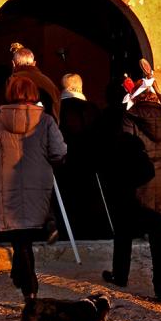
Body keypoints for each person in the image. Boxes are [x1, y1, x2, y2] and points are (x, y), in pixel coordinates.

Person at [103, 80, 161, 304]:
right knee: (160, 237)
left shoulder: (130, 117)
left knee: (124, 230)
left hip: (137, 181)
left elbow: (125, 150)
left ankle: (120, 275)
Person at [0, 75, 67, 299]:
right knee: (26, 237)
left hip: (8, 181)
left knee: (19, 238)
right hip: (38, 181)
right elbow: (59, 151)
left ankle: (24, 282)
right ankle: (30, 288)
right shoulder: (46, 121)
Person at [57, 73, 107, 241]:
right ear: (80, 87)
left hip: (64, 164)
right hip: (88, 164)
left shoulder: (56, 109)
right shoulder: (91, 109)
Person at [5, 45, 60, 121]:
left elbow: (5, 111)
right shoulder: (49, 82)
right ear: (34, 63)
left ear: (13, 64)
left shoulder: (12, 81)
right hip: (47, 127)